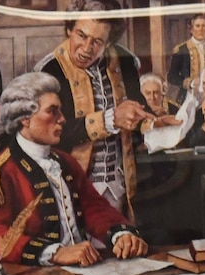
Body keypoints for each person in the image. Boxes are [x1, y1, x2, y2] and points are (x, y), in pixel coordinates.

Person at [0, 73, 148, 267]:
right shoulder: (0, 172)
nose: (62, 119)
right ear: (25, 119)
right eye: (52, 111)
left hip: (85, 269)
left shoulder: (65, 161)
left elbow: (93, 207)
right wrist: (55, 253)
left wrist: (120, 234)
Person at [36, 0, 148, 218]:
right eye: (81, 35)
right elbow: (48, 134)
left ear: (108, 43)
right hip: (69, 190)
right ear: (69, 29)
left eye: (97, 41)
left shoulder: (125, 63)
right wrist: (110, 120)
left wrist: (153, 123)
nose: (87, 48)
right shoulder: (48, 72)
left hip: (119, 186)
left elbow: (138, 112)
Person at [167, 14, 205, 98]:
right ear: (191, 29)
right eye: (197, 26)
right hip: (189, 94)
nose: (201, 29)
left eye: (203, 26)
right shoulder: (181, 50)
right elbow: (172, 76)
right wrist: (191, 83)